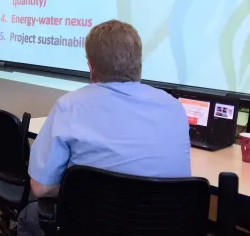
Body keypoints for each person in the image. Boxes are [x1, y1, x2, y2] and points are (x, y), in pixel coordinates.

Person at [17, 20, 191, 236]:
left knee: (27, 216)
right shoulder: (174, 108)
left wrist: (89, 193)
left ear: (91, 66)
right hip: (162, 226)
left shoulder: (69, 106)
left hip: (91, 227)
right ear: (138, 60)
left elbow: (41, 187)